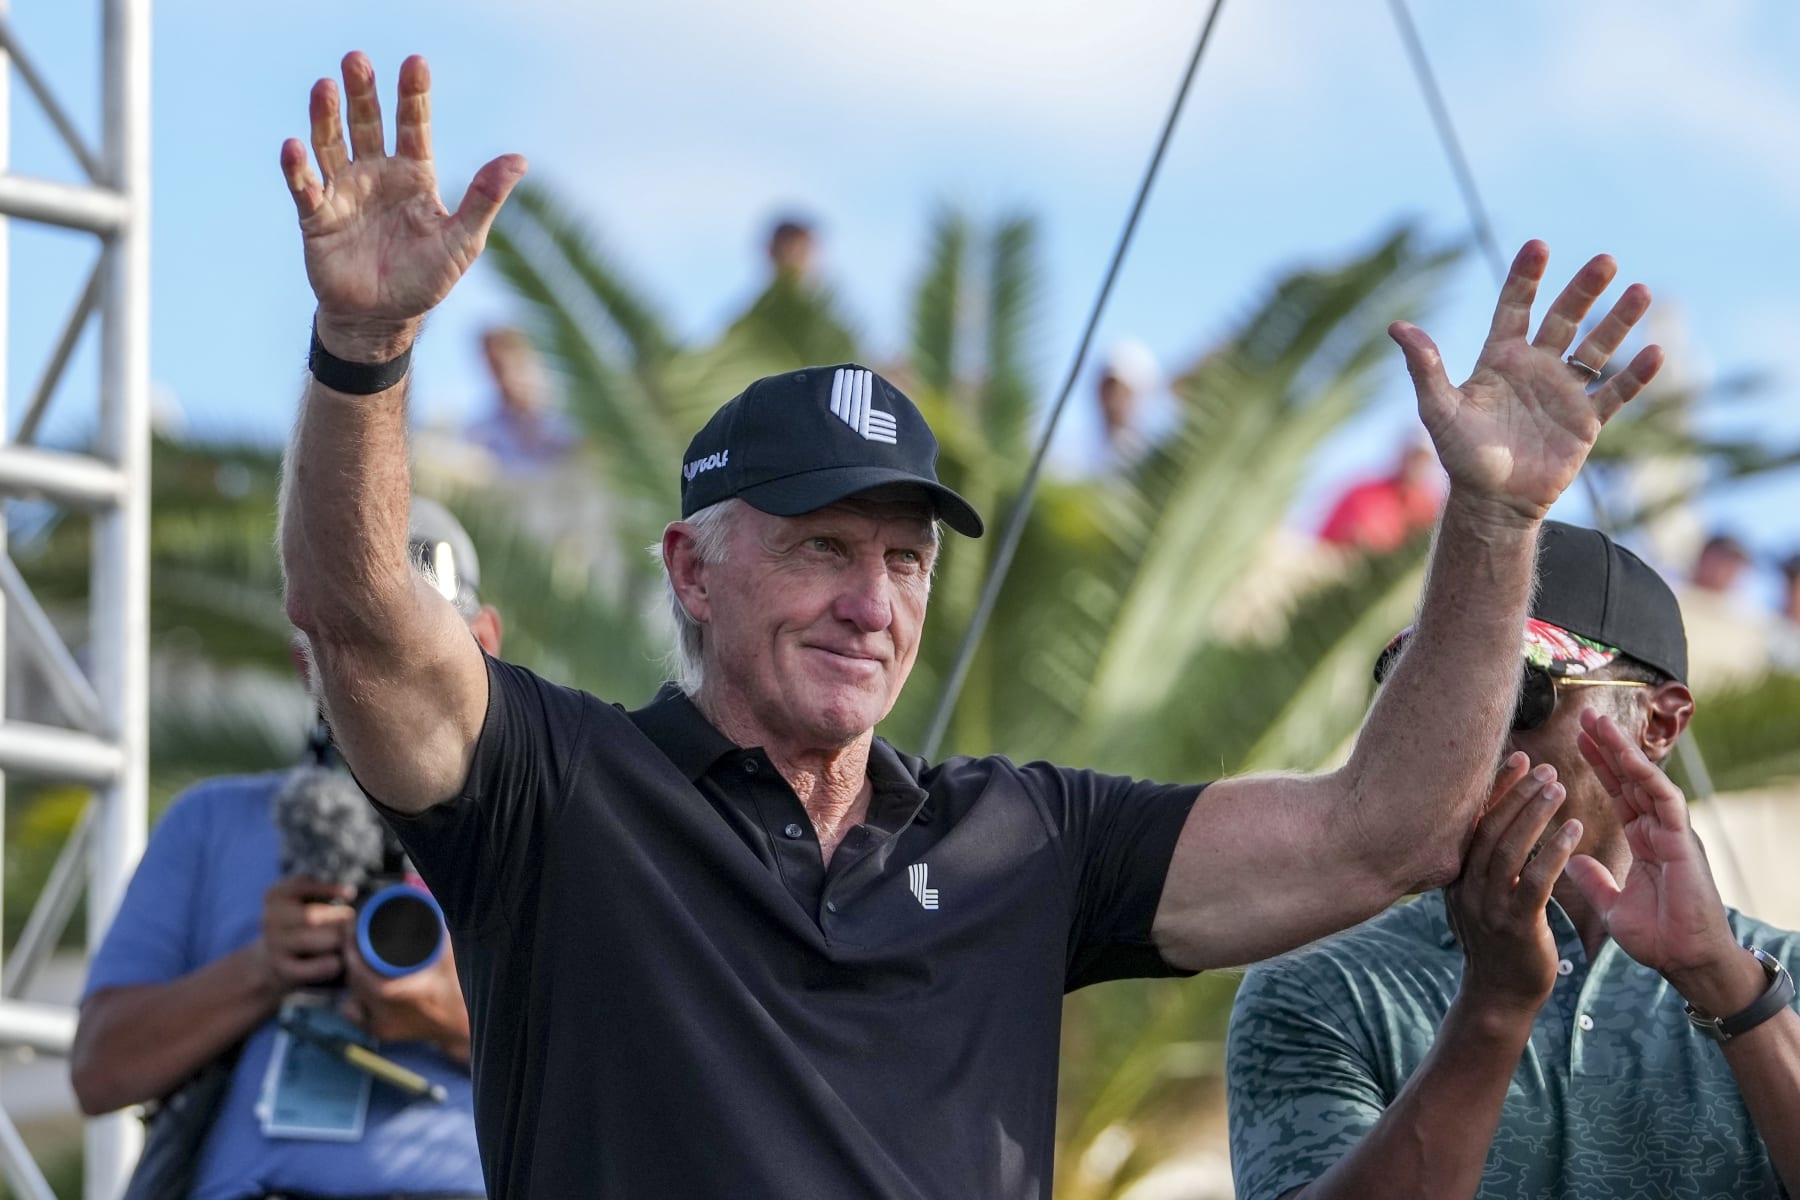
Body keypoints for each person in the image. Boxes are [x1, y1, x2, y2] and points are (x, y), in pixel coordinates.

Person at [274, 51, 1664, 1198]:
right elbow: (361, 624)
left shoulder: (1028, 839)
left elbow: (1386, 829)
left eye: (903, 559)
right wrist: (365, 357)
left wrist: (1491, 521)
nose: (870, 603)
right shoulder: (559, 789)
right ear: (690, 570)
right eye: (821, 547)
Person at [1226, 521, 1800, 1200]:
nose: (1465, 742)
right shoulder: (1320, 985)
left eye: (1520, 693)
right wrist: (1494, 1007)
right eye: (1436, 701)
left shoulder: (1778, 980)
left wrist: (1724, 985)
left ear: (1659, 724)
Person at [70, 498, 494, 1200]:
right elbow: (98, 1070)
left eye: (425, 644)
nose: (390, 679)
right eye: (355, 644)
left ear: (486, 641)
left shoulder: (545, 836)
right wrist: (265, 969)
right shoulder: (211, 822)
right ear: (306, 663)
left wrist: (456, 1018)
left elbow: (635, 1084)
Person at [462, 326, 575, 474]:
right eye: (496, 369)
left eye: (516, 365)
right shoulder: (481, 434)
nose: (507, 378)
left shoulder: (573, 415)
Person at [1317, 435, 1444, 552]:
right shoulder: (1363, 494)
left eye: (1422, 459)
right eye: (1413, 456)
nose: (1415, 465)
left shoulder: (1428, 508)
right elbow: (1330, 542)